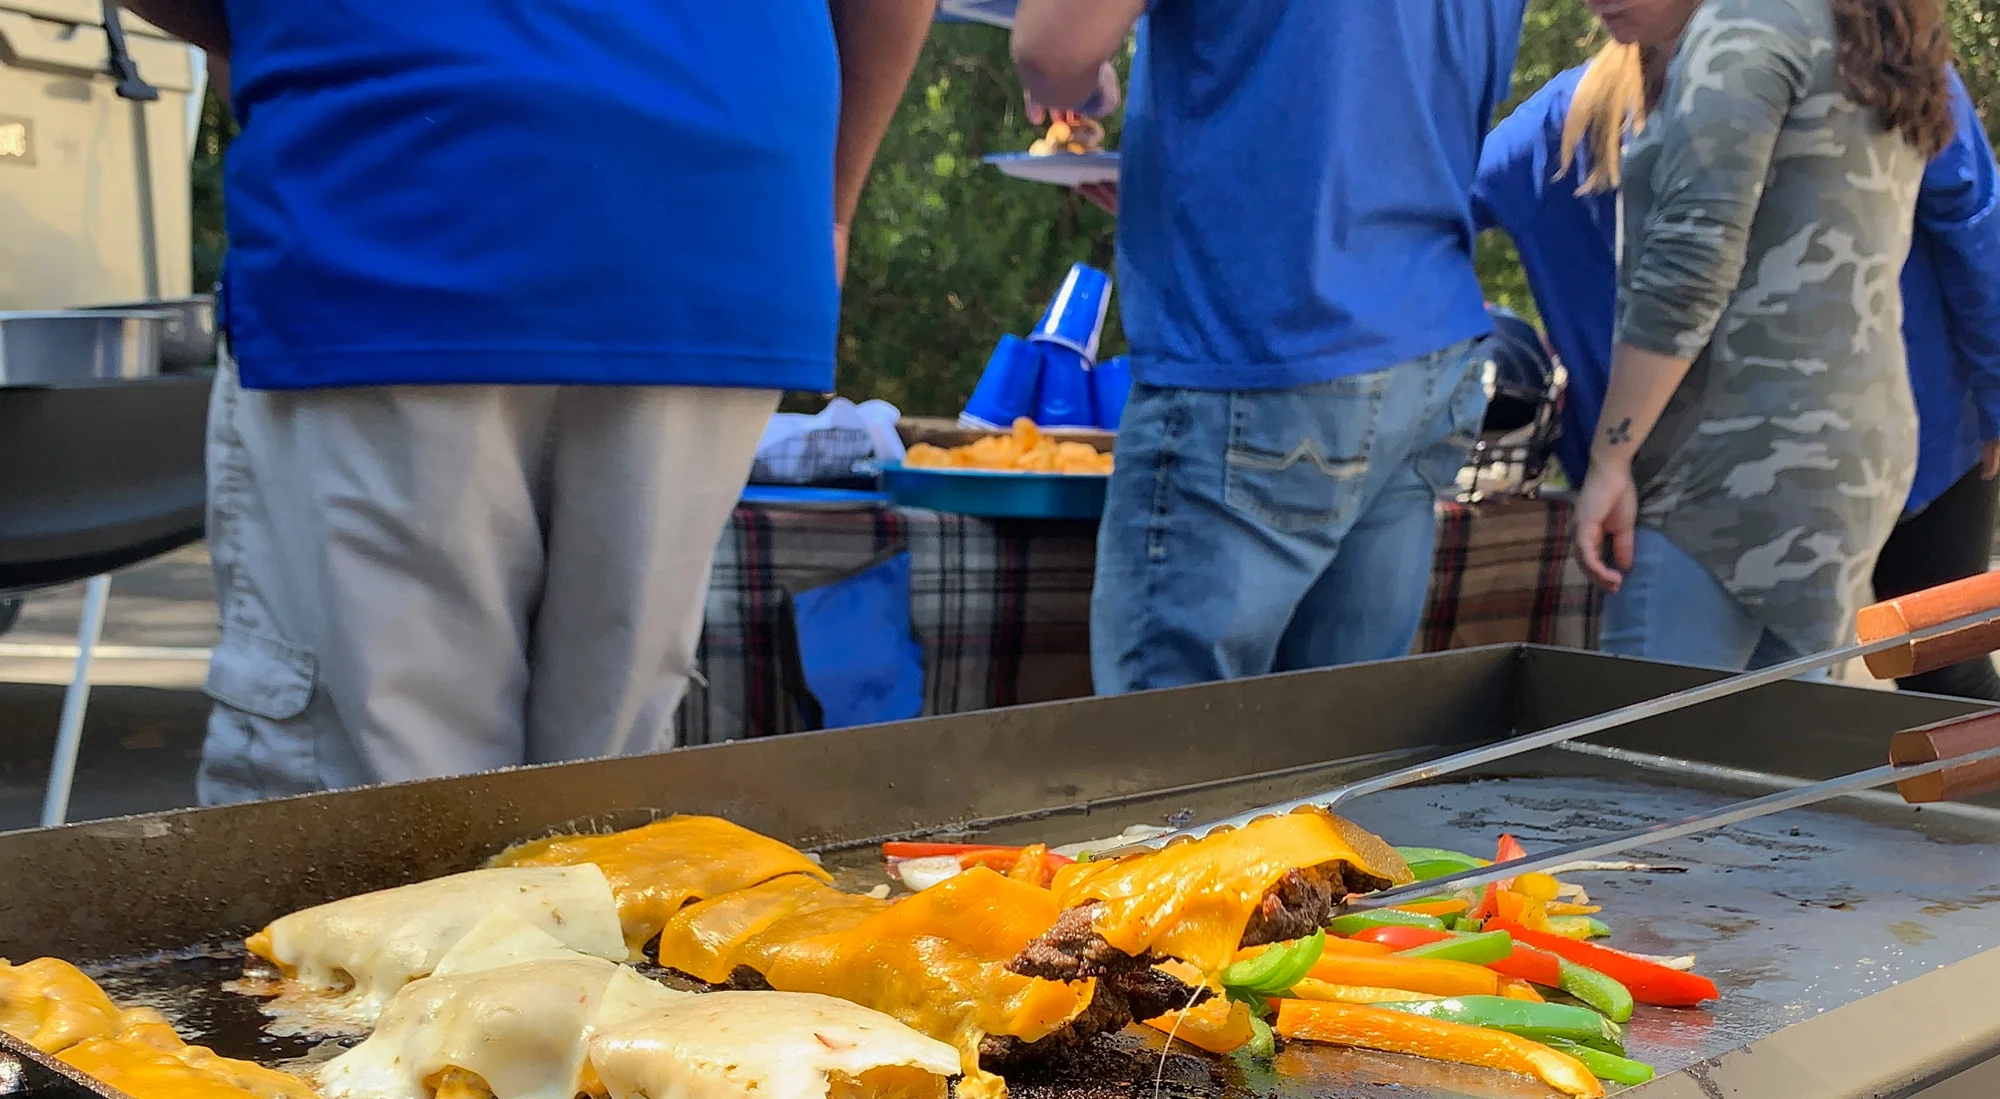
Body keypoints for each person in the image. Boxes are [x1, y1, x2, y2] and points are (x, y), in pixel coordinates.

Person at [128, 2, 935, 803]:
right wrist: (827, 201)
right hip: (716, 180)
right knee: (604, 796)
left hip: (390, 164)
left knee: (370, 805)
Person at [1010, 0, 1523, 694]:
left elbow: (1052, 49)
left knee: (1166, 770)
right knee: (1337, 757)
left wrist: (1085, 87)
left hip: (1261, 341)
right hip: (1429, 345)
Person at [1474, 42, 2000, 695]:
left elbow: (1423, 215)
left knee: (1755, 707)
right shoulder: (1874, 67)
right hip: (1887, 438)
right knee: (1935, 670)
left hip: (1759, 471)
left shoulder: (1559, 121)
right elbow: (1975, 225)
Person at [1569, 0, 1955, 672]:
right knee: (1779, 762)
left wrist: (1610, 460)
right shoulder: (1872, 28)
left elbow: (1690, 264)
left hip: (1726, 473)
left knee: (1649, 759)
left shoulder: (1747, 23)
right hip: (1852, 464)